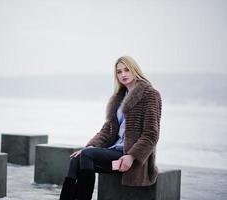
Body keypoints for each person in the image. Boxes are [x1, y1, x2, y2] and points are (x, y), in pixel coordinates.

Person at [59, 56, 162, 200]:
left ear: (135, 70)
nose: (123, 74)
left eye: (127, 70)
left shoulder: (150, 94)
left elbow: (151, 134)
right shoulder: (118, 97)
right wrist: (91, 146)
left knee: (87, 155)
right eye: (119, 72)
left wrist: (131, 156)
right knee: (76, 159)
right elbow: (107, 129)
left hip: (131, 157)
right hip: (114, 151)